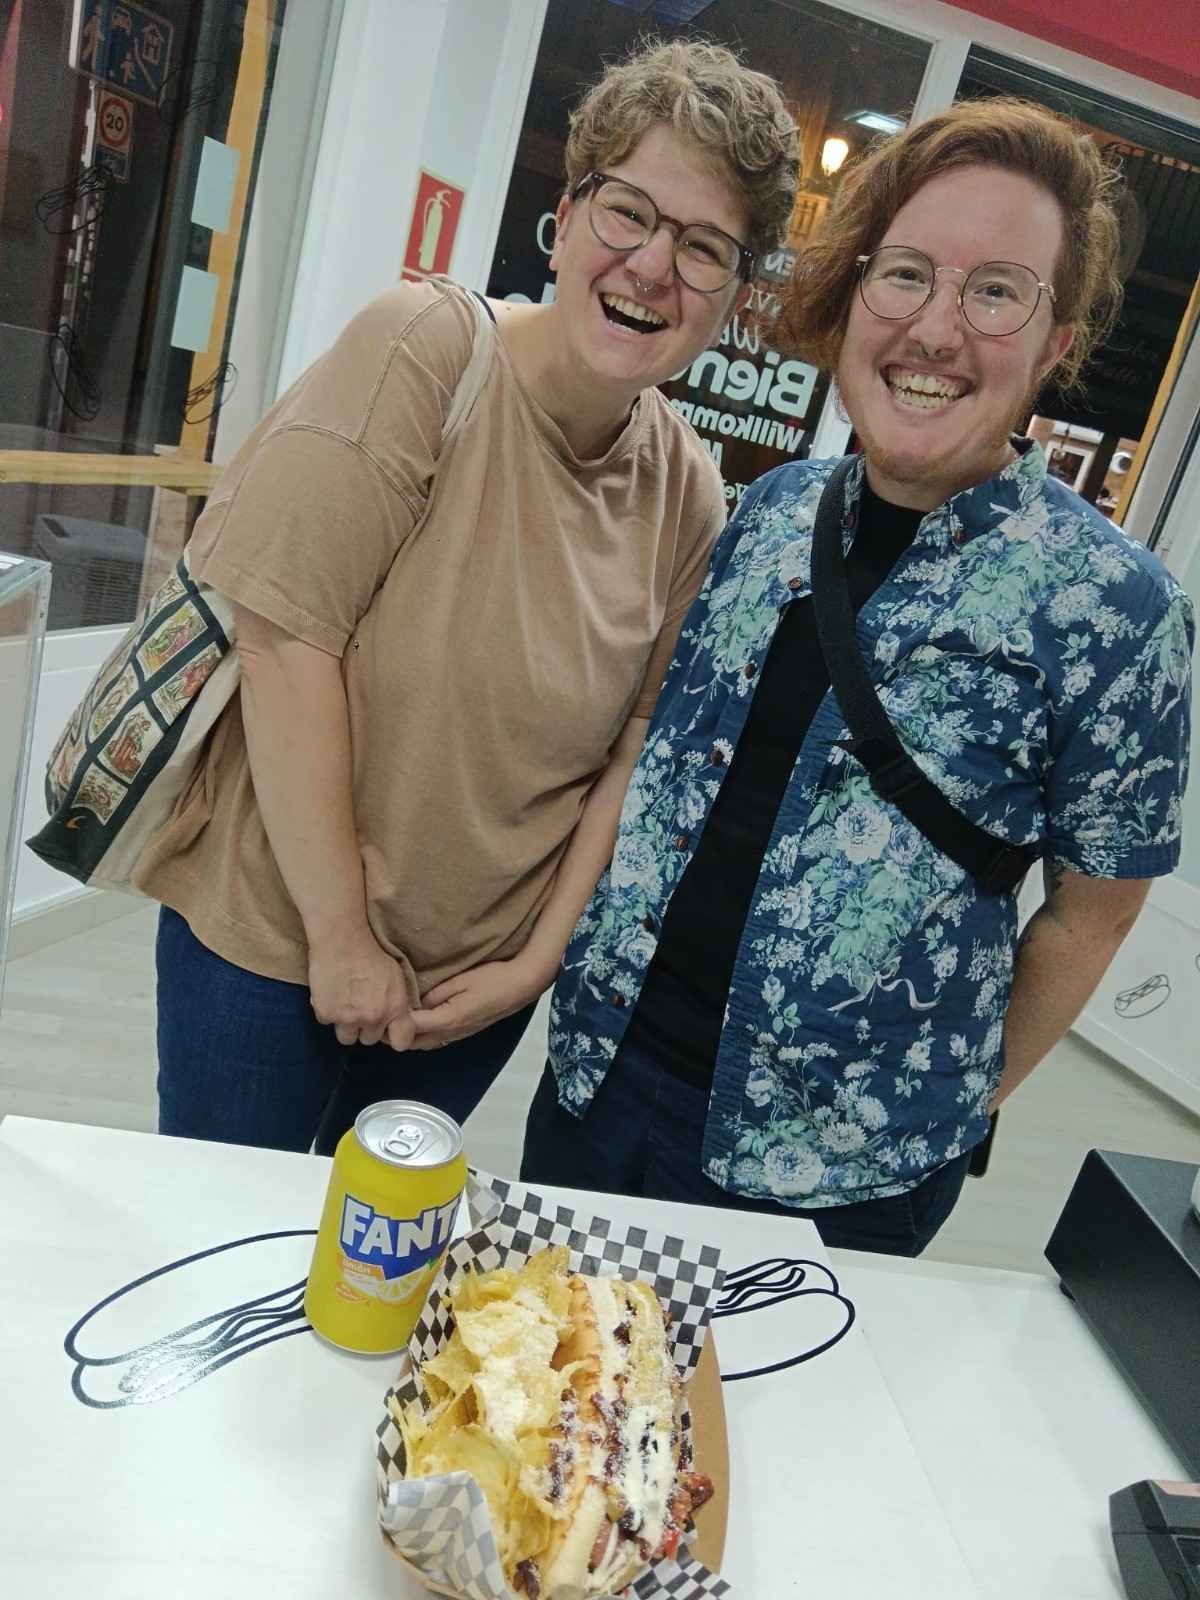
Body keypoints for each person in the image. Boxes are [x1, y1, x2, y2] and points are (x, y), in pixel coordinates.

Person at [522, 98, 1195, 1256]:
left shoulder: (1118, 614)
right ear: (852, 301)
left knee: (764, 1440)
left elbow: (1094, 915)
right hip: (599, 1089)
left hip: (838, 1182)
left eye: (996, 291)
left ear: (1056, 341)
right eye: (907, 276)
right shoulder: (771, 513)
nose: (936, 328)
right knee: (556, 1402)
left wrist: (950, 1109)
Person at [141, 40, 798, 1154]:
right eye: (630, 212)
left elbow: (633, 751)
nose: (652, 266)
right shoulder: (427, 351)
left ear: (734, 296)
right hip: (272, 946)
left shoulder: (689, 489)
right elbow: (285, 639)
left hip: (469, 996)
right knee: (217, 1262)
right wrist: (343, 938)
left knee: (372, 1272)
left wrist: (531, 966)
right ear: (572, 205)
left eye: (703, 248)